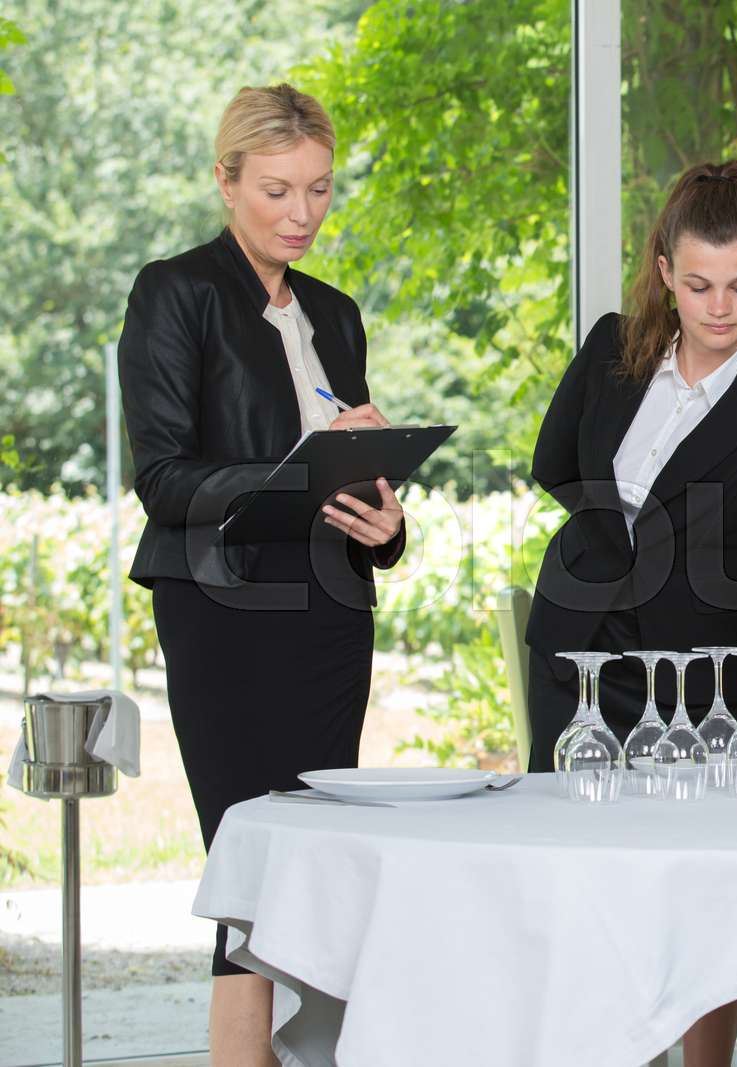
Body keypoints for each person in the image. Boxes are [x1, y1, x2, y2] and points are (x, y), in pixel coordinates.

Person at [119, 83, 406, 1066]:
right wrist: (299, 461)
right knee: (251, 865)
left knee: (316, 862)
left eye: (319, 189)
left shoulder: (336, 311)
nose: (301, 213)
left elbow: (351, 472)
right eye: (277, 189)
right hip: (222, 610)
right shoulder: (176, 291)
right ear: (226, 180)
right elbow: (162, 477)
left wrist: (385, 517)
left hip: (330, 616)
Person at [525, 159, 737, 1063]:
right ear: (664, 269)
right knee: (581, 882)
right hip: (576, 652)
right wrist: (610, 544)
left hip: (692, 675)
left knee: (701, 895)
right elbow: (554, 460)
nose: (720, 307)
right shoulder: (612, 348)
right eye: (697, 284)